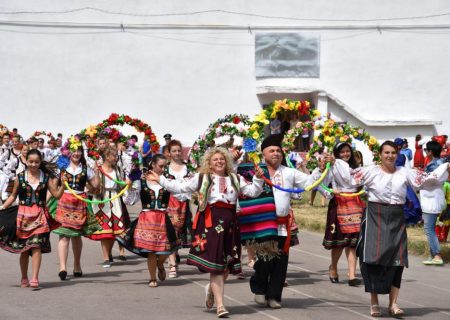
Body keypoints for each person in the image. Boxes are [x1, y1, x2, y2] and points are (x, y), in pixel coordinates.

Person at [332, 140, 449, 317]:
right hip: (374, 215)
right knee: (373, 259)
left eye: (393, 152)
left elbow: (428, 179)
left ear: (397, 154)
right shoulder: (370, 171)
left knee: (397, 260)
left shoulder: (405, 172)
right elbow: (348, 177)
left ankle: (393, 304)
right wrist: (334, 162)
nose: (390, 156)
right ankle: (374, 303)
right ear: (380, 155)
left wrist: (446, 165)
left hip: (396, 217)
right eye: (386, 152)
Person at [148, 147, 264, 318]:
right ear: (209, 163)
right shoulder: (203, 177)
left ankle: (211, 289)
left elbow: (254, 191)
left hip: (231, 224)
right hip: (211, 224)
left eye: (221, 159)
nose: (219, 162)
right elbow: (180, 187)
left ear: (226, 161)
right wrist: (161, 180)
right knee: (216, 265)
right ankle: (220, 306)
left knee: (227, 265)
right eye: (215, 159)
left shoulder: (235, 178)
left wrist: (258, 179)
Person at [249, 134, 327, 309]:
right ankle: (260, 289)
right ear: (264, 154)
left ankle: (274, 296)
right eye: (272, 151)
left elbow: (309, 183)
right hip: (262, 224)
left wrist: (319, 170)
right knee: (263, 260)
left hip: (282, 224)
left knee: (280, 261)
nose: (276, 153)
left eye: (278, 150)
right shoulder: (256, 171)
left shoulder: (289, 172)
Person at [0, 149, 65, 289]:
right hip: (23, 216)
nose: (33, 164)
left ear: (40, 162)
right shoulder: (20, 177)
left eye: (36, 162)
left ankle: (35, 278)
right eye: (31, 162)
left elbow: (57, 195)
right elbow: (13, 196)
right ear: (26, 161)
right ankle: (24, 277)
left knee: (36, 246)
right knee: (24, 249)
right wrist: (3, 207)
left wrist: (63, 185)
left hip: (40, 216)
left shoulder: (46, 177)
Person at [118, 154, 178, 288]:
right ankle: (152, 278)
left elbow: (178, 195)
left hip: (162, 217)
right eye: (160, 166)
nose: (163, 169)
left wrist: (174, 212)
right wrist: (128, 187)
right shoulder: (142, 180)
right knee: (151, 250)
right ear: (153, 164)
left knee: (166, 250)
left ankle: (160, 263)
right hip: (147, 219)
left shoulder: (167, 180)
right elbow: (130, 200)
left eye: (165, 166)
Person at [50, 144, 101, 280]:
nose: (76, 153)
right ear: (68, 152)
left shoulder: (85, 169)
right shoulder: (61, 168)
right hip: (64, 201)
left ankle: (77, 264)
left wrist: (97, 171)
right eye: (73, 150)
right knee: (64, 235)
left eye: (79, 151)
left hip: (79, 202)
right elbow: (53, 187)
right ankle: (62, 267)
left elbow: (96, 187)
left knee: (76, 236)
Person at [322, 142, 364, 286]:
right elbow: (321, 184)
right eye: (342, 152)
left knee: (353, 242)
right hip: (338, 203)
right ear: (336, 154)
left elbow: (355, 179)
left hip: (355, 203)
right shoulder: (332, 166)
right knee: (339, 242)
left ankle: (352, 275)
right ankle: (333, 267)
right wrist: (330, 192)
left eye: (348, 151)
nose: (345, 154)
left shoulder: (356, 168)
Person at [88, 146, 130, 267]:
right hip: (102, 200)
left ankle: (109, 252)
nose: (115, 158)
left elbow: (121, 185)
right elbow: (94, 186)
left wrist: (127, 185)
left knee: (114, 231)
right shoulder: (99, 169)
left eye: (116, 155)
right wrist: (95, 174)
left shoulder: (117, 170)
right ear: (106, 156)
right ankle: (106, 257)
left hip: (115, 199)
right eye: (113, 155)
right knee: (105, 230)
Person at [164, 140, 192, 278]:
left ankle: (176, 258)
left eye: (178, 151)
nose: (176, 153)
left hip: (185, 202)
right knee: (171, 232)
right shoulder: (165, 168)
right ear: (169, 153)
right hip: (170, 202)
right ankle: (172, 264)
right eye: (174, 151)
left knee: (180, 232)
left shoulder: (188, 167)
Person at [420, 141, 448, 265]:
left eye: (426, 150)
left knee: (429, 228)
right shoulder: (441, 162)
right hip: (435, 198)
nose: (426, 153)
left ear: (430, 151)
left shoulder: (434, 165)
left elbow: (428, 179)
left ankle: (436, 255)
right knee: (429, 227)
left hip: (431, 199)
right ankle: (433, 255)